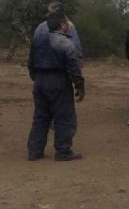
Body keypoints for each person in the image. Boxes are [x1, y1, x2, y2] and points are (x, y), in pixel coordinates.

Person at [27, 11, 85, 161]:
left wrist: (36, 78)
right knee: (64, 117)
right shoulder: (66, 42)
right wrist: (79, 85)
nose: (68, 25)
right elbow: (74, 67)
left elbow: (30, 63)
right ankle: (63, 151)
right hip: (59, 81)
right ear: (62, 25)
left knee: (40, 117)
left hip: (40, 80)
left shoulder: (37, 40)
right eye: (66, 23)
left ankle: (34, 151)